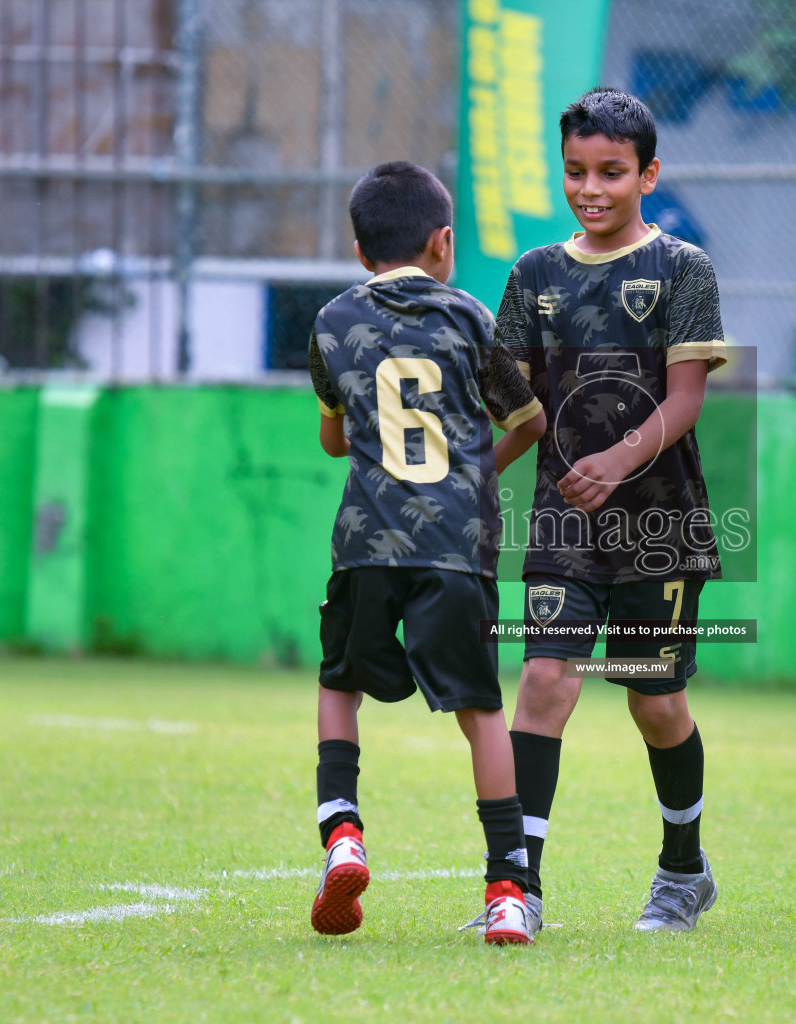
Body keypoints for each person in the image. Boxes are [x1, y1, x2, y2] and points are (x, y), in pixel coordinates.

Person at [495, 88, 729, 935]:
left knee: (653, 702)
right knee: (543, 682)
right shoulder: (532, 276)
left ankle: (683, 871)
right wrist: (472, 479)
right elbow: (517, 409)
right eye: (575, 173)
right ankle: (518, 889)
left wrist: (620, 459)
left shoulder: (683, 268)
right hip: (563, 525)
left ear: (648, 174)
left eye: (611, 173)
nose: (590, 189)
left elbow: (686, 399)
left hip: (658, 526)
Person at [305, 161, 547, 944]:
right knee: (480, 713)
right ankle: (509, 888)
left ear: (357, 249)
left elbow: (334, 436)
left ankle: (342, 833)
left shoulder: (332, 322)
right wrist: (473, 473)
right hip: (457, 547)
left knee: (340, 686)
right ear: (444, 242)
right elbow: (530, 420)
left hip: (366, 545)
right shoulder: (471, 316)